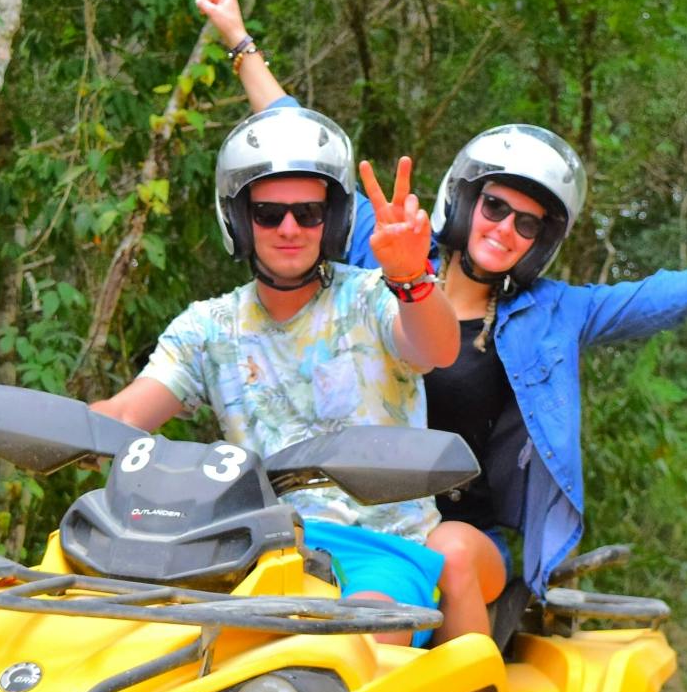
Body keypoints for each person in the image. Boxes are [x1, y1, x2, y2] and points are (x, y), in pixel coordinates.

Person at [194, 0, 687, 593]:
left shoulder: (554, 312)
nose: (506, 229)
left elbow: (675, 294)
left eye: (529, 223)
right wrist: (239, 42)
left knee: (454, 549)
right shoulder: (392, 259)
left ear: (542, 241)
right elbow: (305, 155)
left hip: (466, 531)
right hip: (351, 521)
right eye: (496, 206)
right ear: (465, 202)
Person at [92, 104, 491, 644]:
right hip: (248, 549)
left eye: (307, 213)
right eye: (267, 214)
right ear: (238, 217)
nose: (288, 229)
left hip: (380, 547)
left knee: (350, 646)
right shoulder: (209, 326)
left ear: (332, 220)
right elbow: (126, 413)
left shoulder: (372, 297)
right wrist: (79, 429)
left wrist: (412, 277)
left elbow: (437, 348)